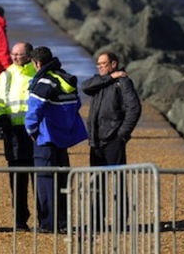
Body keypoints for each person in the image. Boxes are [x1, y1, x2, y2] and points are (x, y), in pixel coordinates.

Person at [25, 46, 88, 233]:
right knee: (62, 183)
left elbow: (34, 111)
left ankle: (48, 224)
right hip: (63, 139)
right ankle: (62, 223)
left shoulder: (44, 82)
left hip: (45, 139)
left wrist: (31, 131)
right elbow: (76, 104)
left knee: (45, 182)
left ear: (37, 63)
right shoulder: (65, 78)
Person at [82, 51, 142, 228]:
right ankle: (96, 222)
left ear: (114, 64)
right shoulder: (100, 81)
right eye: (98, 65)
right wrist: (109, 77)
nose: (100, 67)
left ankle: (120, 222)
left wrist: (122, 134)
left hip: (113, 139)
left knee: (118, 183)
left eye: (104, 64)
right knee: (96, 183)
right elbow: (85, 86)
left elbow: (134, 108)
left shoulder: (123, 82)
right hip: (96, 140)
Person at [0, 41, 38, 230]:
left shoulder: (36, 73)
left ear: (29, 55)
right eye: (13, 54)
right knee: (17, 179)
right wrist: (1, 118)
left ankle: (44, 218)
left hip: (34, 132)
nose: (15, 57)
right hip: (13, 132)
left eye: (19, 54)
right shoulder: (6, 75)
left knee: (38, 177)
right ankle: (20, 219)